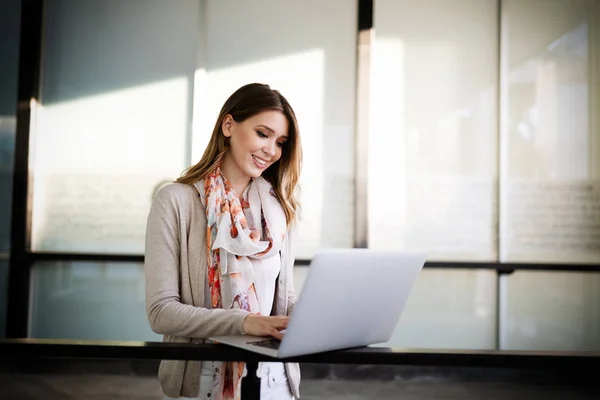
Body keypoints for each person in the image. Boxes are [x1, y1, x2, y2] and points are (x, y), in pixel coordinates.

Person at [144, 83, 302, 400]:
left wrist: (311, 317)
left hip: (275, 381)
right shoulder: (176, 201)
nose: (272, 150)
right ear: (228, 125)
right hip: (203, 379)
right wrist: (244, 323)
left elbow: (282, 301)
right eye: (263, 133)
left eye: (280, 142)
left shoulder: (280, 210)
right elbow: (161, 312)